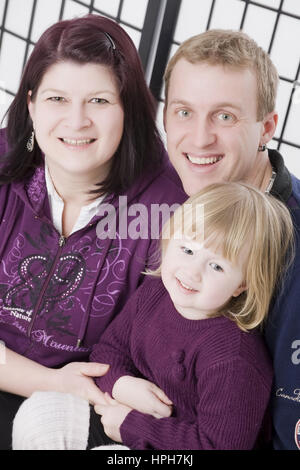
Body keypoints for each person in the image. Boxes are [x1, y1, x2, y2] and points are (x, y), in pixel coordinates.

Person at [0, 14, 186, 450]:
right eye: (57, 98)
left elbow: (148, 363)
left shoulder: (168, 210)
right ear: (30, 104)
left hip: (88, 410)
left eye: (99, 101)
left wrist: (72, 392)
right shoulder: (3, 164)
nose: (77, 121)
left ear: (129, 109)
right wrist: (48, 381)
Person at [161, 29, 300, 450]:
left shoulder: (294, 243)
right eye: (183, 112)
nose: (200, 139)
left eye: (225, 116)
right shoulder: (165, 195)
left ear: (266, 128)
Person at [89, 182, 293, 450]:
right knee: (42, 411)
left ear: (243, 284)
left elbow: (217, 446)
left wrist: (130, 425)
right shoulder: (155, 291)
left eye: (216, 266)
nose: (192, 272)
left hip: (165, 443)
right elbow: (106, 352)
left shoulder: (233, 359)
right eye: (187, 250)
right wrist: (120, 384)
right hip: (124, 415)